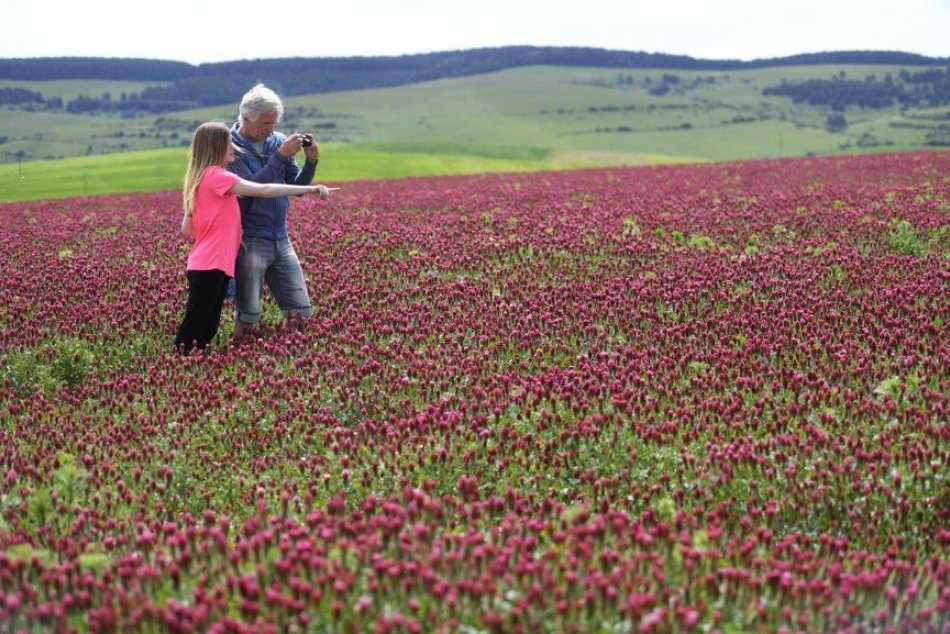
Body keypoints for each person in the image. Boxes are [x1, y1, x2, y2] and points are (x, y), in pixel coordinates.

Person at [174, 121, 334, 355]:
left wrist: (226, 234)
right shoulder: (217, 175)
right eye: (228, 143)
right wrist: (310, 189)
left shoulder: (202, 179)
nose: (233, 148)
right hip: (211, 264)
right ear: (215, 147)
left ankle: (188, 365)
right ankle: (181, 363)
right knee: (196, 328)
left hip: (209, 263)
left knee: (206, 327)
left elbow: (187, 228)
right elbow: (264, 190)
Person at [228, 84, 323, 342]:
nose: (270, 129)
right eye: (265, 123)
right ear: (246, 117)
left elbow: (297, 187)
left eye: (274, 122)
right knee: (248, 316)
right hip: (249, 239)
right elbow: (251, 189)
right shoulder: (230, 148)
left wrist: (311, 162)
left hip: (281, 238)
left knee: (301, 314)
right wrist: (279, 157)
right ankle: (239, 356)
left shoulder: (278, 141)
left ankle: (295, 357)